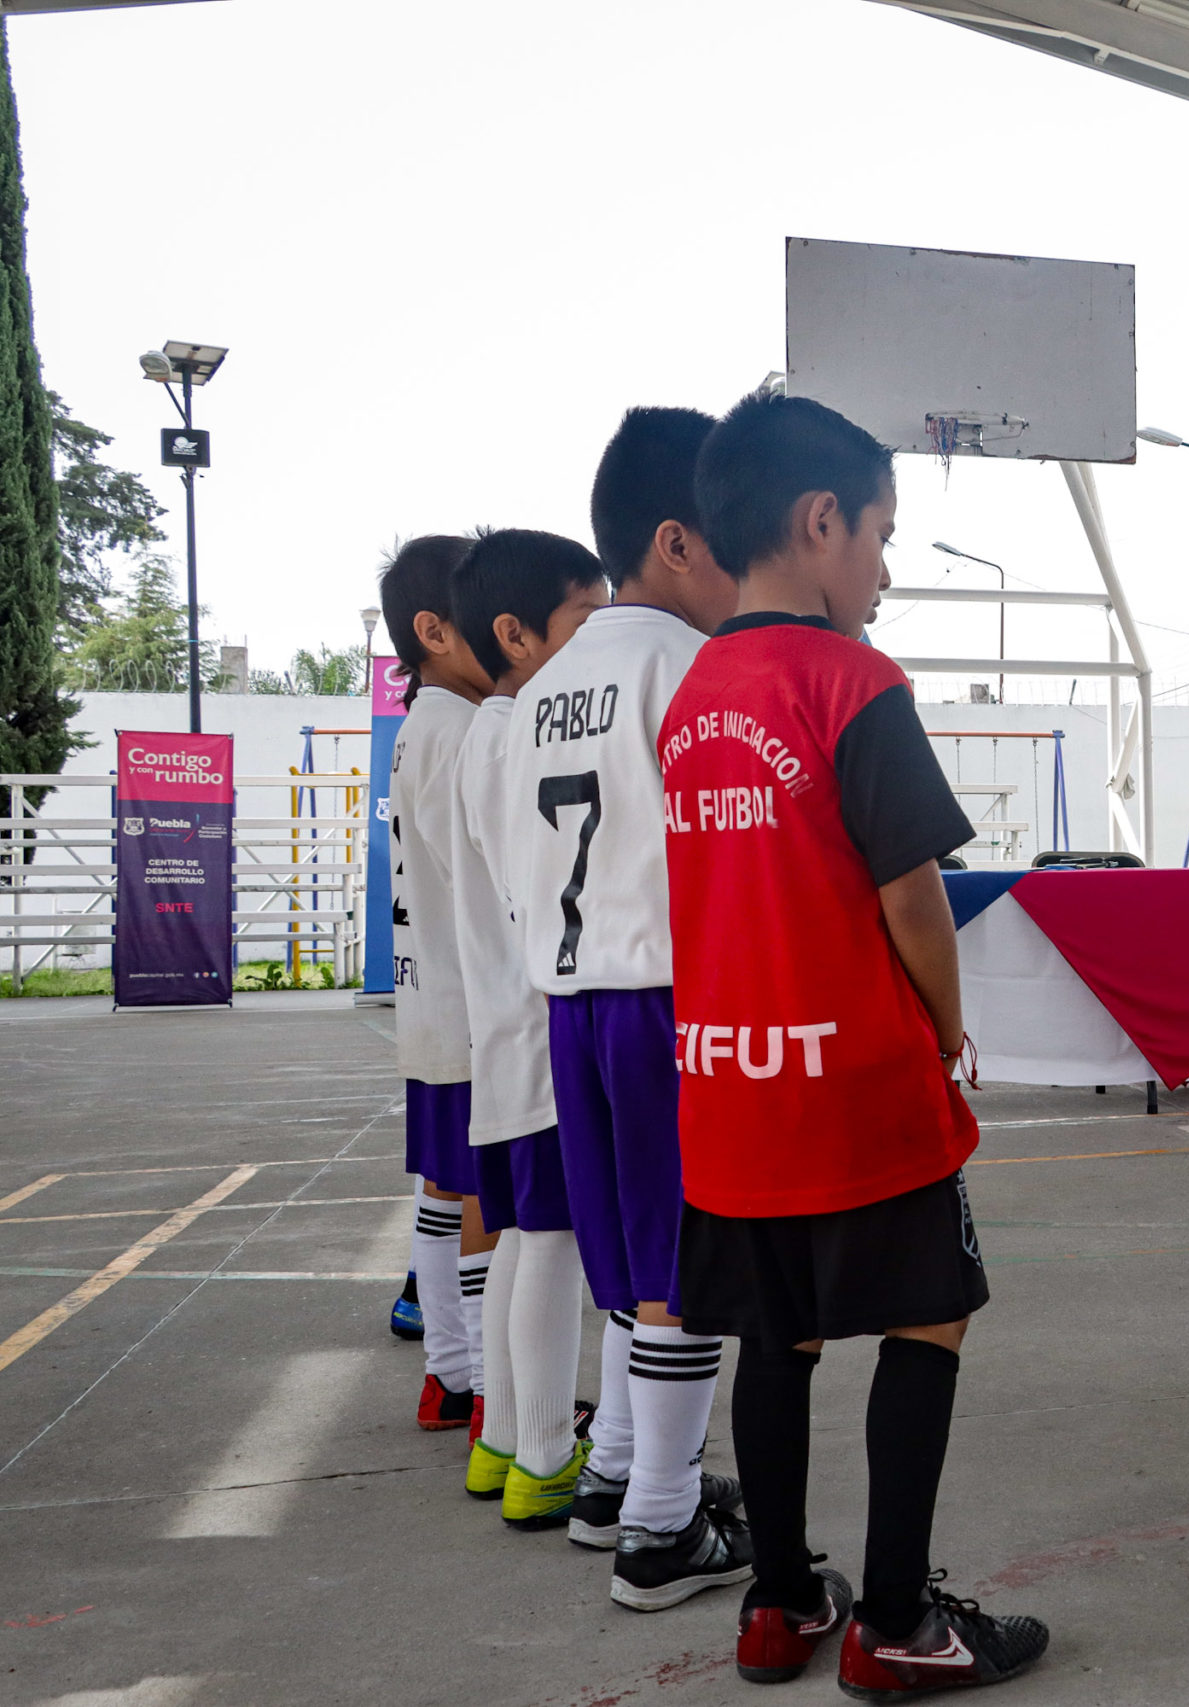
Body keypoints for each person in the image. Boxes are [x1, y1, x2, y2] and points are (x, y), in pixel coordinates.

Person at [667, 393, 1048, 1693]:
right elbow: (909, 893)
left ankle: (778, 1607)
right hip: (856, 1085)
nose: (884, 567)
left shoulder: (694, 691)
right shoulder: (853, 681)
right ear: (819, 520)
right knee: (926, 1315)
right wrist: (947, 1028)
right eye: (881, 534)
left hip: (727, 1086)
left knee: (777, 1337)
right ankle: (895, 1619)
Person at [497, 407, 749, 1610]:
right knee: (682, 1261)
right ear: (676, 542)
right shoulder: (686, 668)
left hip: (572, 996)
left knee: (623, 1254)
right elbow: (721, 848)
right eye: (731, 540)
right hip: (664, 996)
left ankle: (614, 1478)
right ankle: (662, 1524)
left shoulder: (548, 683)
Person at [450, 528, 610, 1522]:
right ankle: (547, 1456)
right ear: (513, 634)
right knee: (551, 1241)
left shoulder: (487, 734)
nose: (599, 642)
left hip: (502, 1029)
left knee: (520, 1237)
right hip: (543, 1019)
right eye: (584, 622)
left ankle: (506, 1442)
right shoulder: (527, 733)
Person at [381, 534, 493, 1436]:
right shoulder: (462, 730)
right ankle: (496, 1389)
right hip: (471, 1008)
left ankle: (449, 1373)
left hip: (430, 1005)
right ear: (434, 630)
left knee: (443, 1189)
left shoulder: (422, 722)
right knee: (487, 1201)